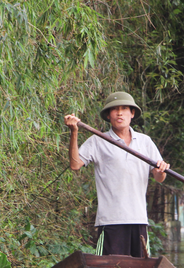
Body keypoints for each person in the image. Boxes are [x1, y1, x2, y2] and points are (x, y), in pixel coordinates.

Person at [65, 91, 170, 257]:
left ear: (132, 113)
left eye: (124, 109)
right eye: (115, 109)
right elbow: (75, 164)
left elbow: (159, 177)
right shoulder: (98, 141)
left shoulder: (145, 142)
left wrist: (160, 170)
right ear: (108, 116)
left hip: (138, 220)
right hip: (111, 221)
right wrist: (74, 132)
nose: (120, 113)